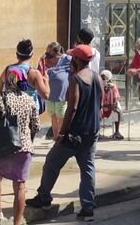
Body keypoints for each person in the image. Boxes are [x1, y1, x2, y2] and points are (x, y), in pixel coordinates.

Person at [26, 44, 102, 222]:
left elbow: (72, 108)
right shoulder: (97, 77)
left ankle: (44, 197)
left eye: (73, 58)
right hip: (92, 131)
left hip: (74, 133)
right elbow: (99, 103)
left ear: (77, 60)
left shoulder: (76, 79)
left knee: (52, 162)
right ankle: (88, 208)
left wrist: (62, 132)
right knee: (88, 169)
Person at [0, 67, 40, 225]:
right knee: (20, 186)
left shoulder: (0, 99)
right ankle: (17, 222)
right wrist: (27, 139)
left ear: (7, 81)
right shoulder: (29, 100)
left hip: (4, 147)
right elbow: (36, 126)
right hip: (24, 148)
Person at [0, 39, 50, 116]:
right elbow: (46, 95)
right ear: (31, 55)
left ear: (16, 54)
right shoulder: (34, 73)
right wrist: (46, 81)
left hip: (12, 113)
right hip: (29, 114)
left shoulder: (7, 70)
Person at [43, 42, 71, 141]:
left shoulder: (67, 59)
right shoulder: (46, 60)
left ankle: (61, 137)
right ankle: (56, 137)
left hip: (62, 94)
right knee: (53, 116)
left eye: (49, 51)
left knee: (61, 116)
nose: (47, 53)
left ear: (56, 52)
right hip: (50, 93)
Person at [100, 70, 123, 140]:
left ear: (108, 78)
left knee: (117, 110)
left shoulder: (113, 87)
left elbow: (116, 99)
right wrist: (102, 107)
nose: (102, 80)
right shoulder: (99, 86)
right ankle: (96, 131)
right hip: (101, 106)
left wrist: (110, 107)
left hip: (111, 106)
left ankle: (117, 132)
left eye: (104, 79)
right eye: (101, 78)